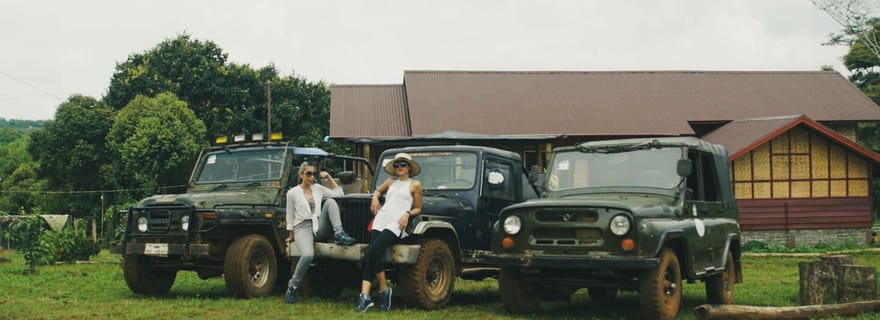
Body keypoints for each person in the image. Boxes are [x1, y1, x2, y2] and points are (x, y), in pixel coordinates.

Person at [355, 153, 423, 312]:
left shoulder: (415, 185)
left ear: (409, 167)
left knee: (372, 252)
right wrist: (375, 198)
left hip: (396, 222)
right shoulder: (390, 181)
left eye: (403, 164)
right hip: (381, 218)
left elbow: (418, 208)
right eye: (397, 164)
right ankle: (365, 296)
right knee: (374, 254)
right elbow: (378, 192)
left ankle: (384, 290)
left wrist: (407, 214)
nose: (400, 167)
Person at [284, 162, 356, 304]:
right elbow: (290, 216)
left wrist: (329, 177)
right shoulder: (292, 193)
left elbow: (339, 194)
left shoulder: (317, 188)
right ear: (301, 175)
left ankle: (339, 233)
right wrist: (291, 235)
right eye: (308, 174)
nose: (312, 177)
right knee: (307, 255)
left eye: (314, 174)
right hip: (302, 227)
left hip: (317, 225)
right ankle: (292, 286)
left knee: (330, 202)